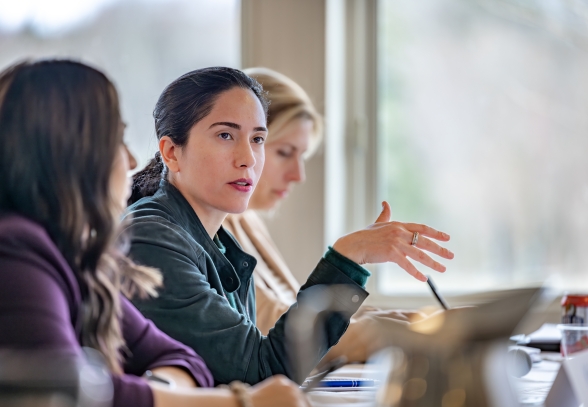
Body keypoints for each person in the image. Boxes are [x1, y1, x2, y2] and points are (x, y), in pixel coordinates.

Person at [0, 59, 308, 407]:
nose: (131, 160)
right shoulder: (15, 251)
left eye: (258, 139)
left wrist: (157, 387)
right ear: (66, 153)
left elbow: (183, 360)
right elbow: (67, 390)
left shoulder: (75, 259)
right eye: (116, 140)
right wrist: (241, 403)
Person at [126, 66, 455, 386]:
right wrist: (346, 258)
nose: (248, 158)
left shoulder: (219, 242)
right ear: (171, 152)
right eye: (225, 135)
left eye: (257, 139)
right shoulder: (153, 239)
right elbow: (262, 370)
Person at [223, 67, 429, 365]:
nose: (298, 175)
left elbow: (296, 310)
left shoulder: (245, 220)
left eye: (302, 156)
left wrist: (411, 320)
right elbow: (281, 333)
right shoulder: (212, 227)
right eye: (284, 152)